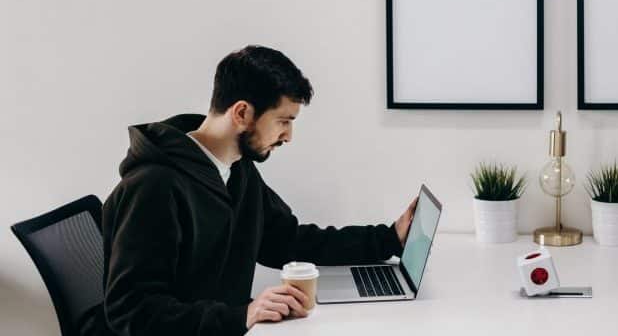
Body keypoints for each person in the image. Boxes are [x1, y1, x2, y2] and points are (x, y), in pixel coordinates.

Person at [79, 45, 417, 336]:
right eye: (284, 120)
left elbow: (287, 240)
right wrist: (242, 316)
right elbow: (132, 311)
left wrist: (388, 239)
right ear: (242, 112)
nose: (288, 136)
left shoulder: (238, 170)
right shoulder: (154, 186)